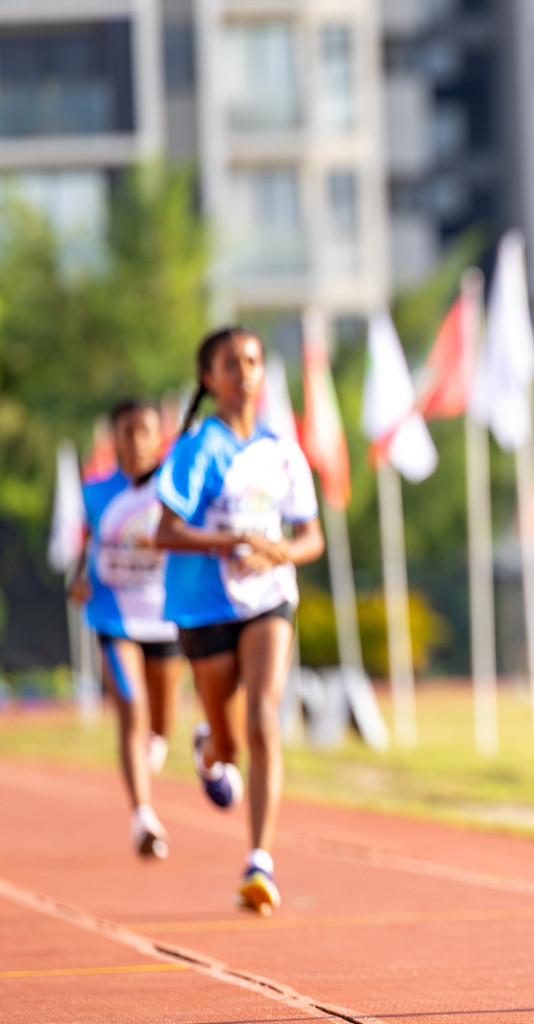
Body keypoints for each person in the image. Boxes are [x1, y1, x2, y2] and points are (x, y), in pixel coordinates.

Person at [154, 326, 324, 915]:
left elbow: (311, 538)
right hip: (204, 606)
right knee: (229, 744)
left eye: (252, 360)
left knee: (262, 718)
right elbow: (164, 532)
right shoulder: (198, 446)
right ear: (210, 378)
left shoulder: (282, 449)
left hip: (268, 598)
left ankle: (259, 862)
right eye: (232, 362)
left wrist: (279, 552)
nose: (246, 371)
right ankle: (208, 748)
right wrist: (229, 541)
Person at [69, 398, 186, 859]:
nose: (136, 440)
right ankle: (143, 816)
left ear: (160, 437)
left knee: (160, 724)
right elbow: (82, 546)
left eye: (145, 431)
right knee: (131, 710)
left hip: (167, 617)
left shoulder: (174, 490)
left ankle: (153, 748)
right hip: (114, 615)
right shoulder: (94, 492)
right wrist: (78, 579)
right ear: (113, 437)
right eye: (127, 431)